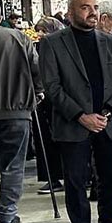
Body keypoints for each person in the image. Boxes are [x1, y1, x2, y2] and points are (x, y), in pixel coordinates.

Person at [39, 0, 112, 223]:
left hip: (109, 123)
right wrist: (81, 116)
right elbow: (52, 86)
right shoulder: (52, 43)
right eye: (85, 8)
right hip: (73, 125)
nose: (92, 12)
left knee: (110, 180)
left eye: (94, 7)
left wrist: (107, 111)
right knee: (75, 182)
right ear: (70, 13)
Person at [0, 0, 40, 223]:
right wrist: (38, 94)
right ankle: (7, 213)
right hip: (16, 112)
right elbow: (37, 70)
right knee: (13, 164)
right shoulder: (19, 37)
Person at [32, 16, 65, 194]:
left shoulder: (59, 46)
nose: (40, 34)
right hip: (43, 101)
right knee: (45, 139)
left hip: (56, 99)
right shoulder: (38, 46)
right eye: (38, 30)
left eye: (44, 30)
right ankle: (52, 178)